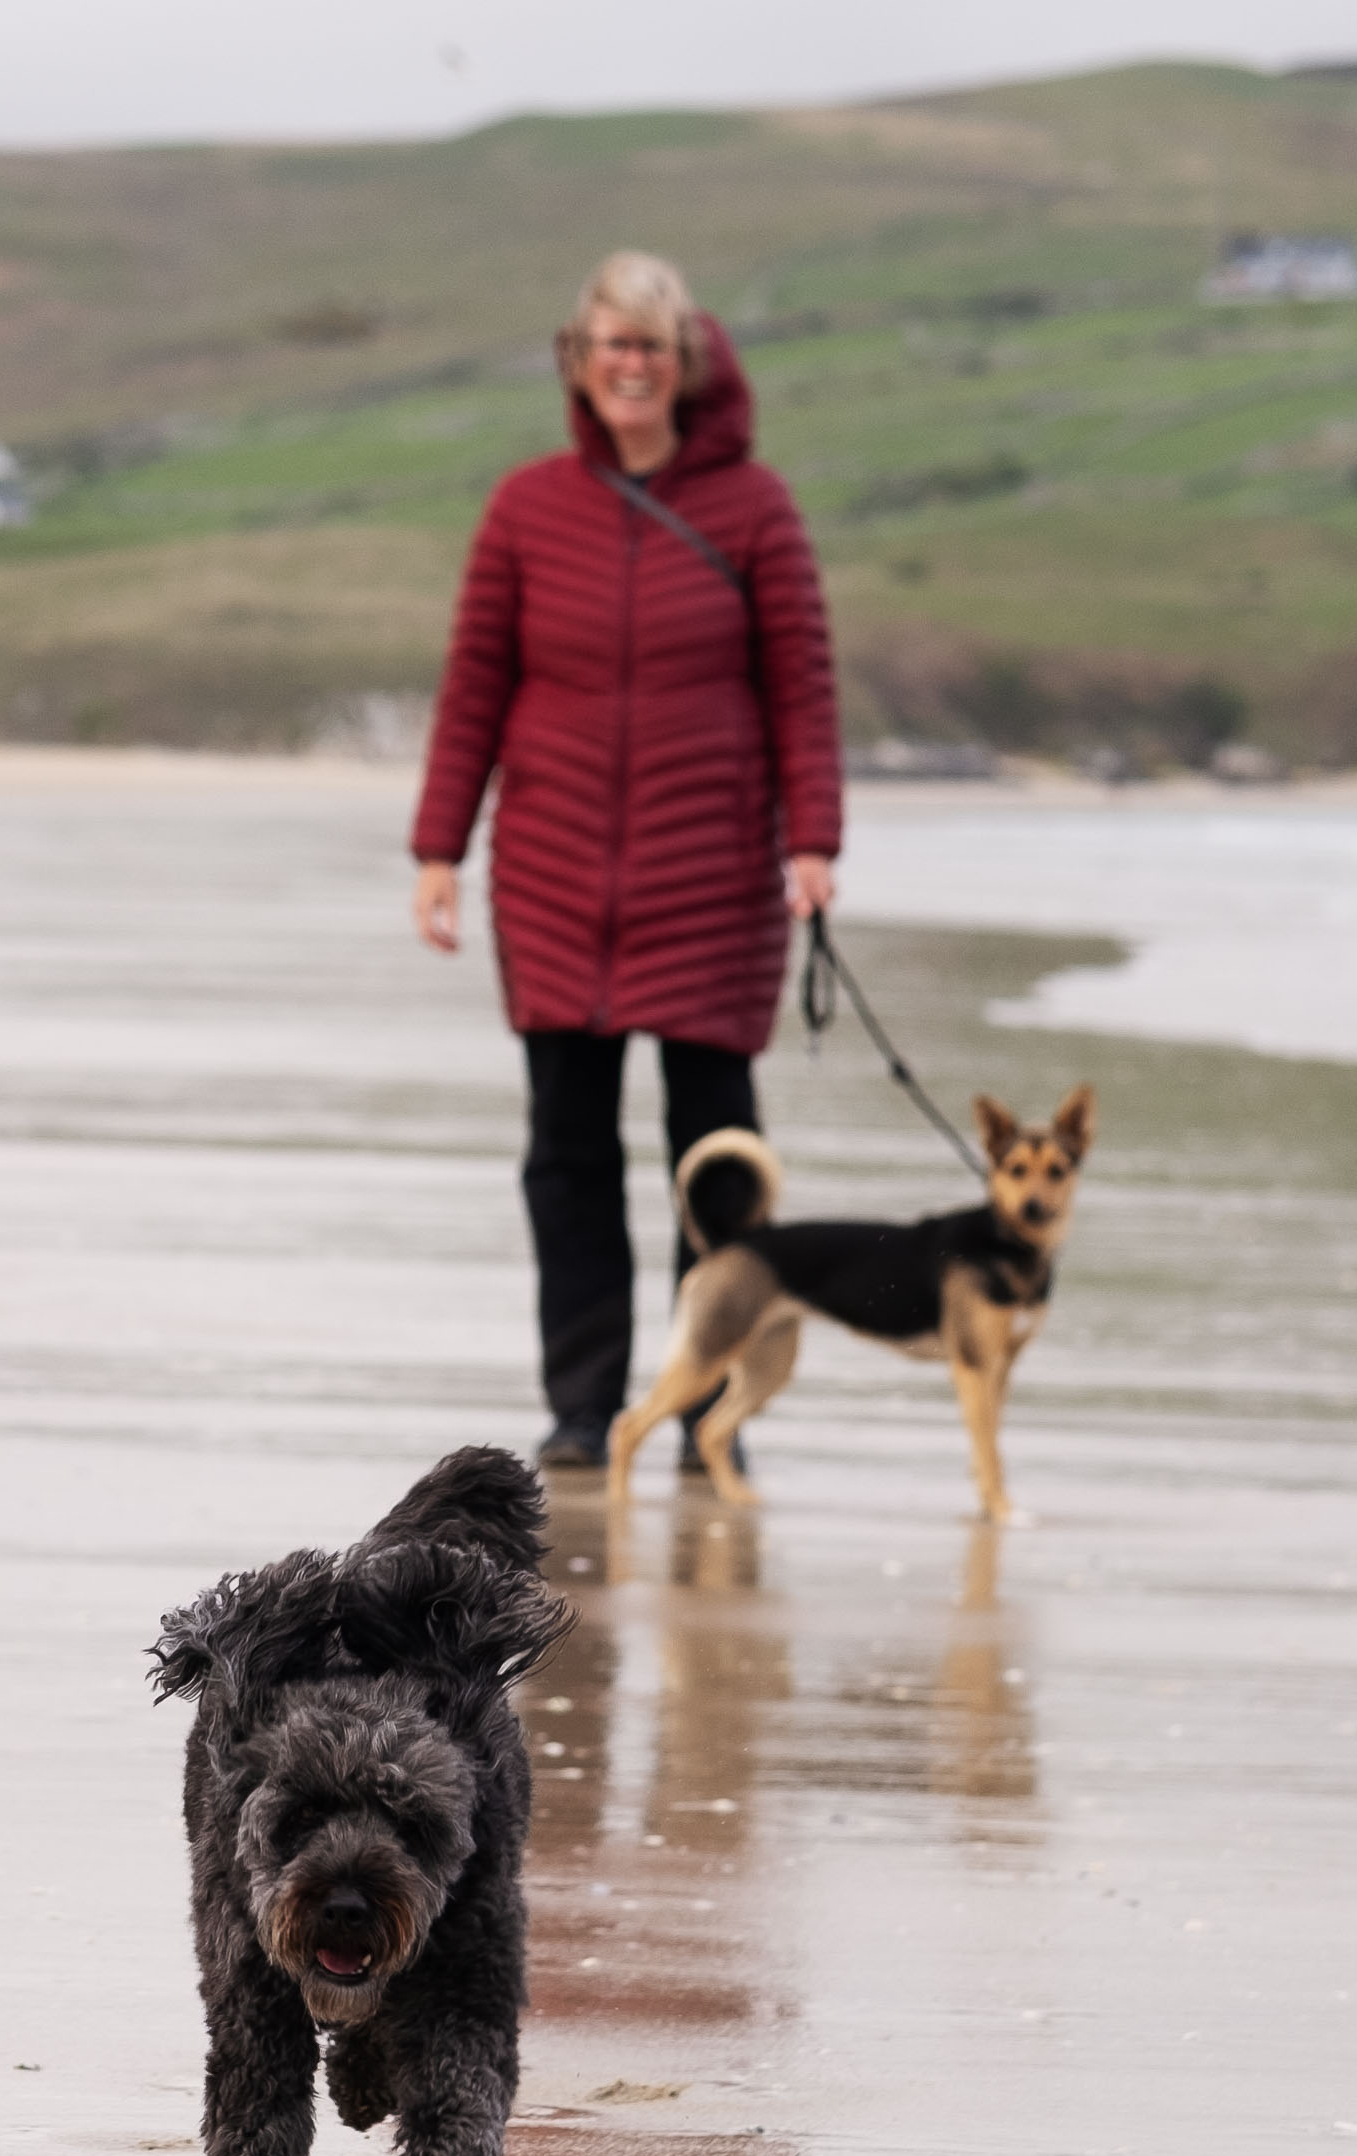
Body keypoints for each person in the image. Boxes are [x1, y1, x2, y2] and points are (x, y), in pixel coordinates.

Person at [410, 248, 842, 1469]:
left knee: (715, 1163)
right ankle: (581, 1407)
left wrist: (813, 840)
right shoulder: (524, 507)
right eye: (613, 344)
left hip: (712, 876)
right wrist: (439, 848)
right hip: (551, 876)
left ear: (686, 362)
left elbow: (801, 687)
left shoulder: (755, 509)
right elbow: (474, 686)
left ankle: (709, 1407)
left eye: (653, 345)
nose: (632, 366)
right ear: (579, 360)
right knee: (567, 1154)